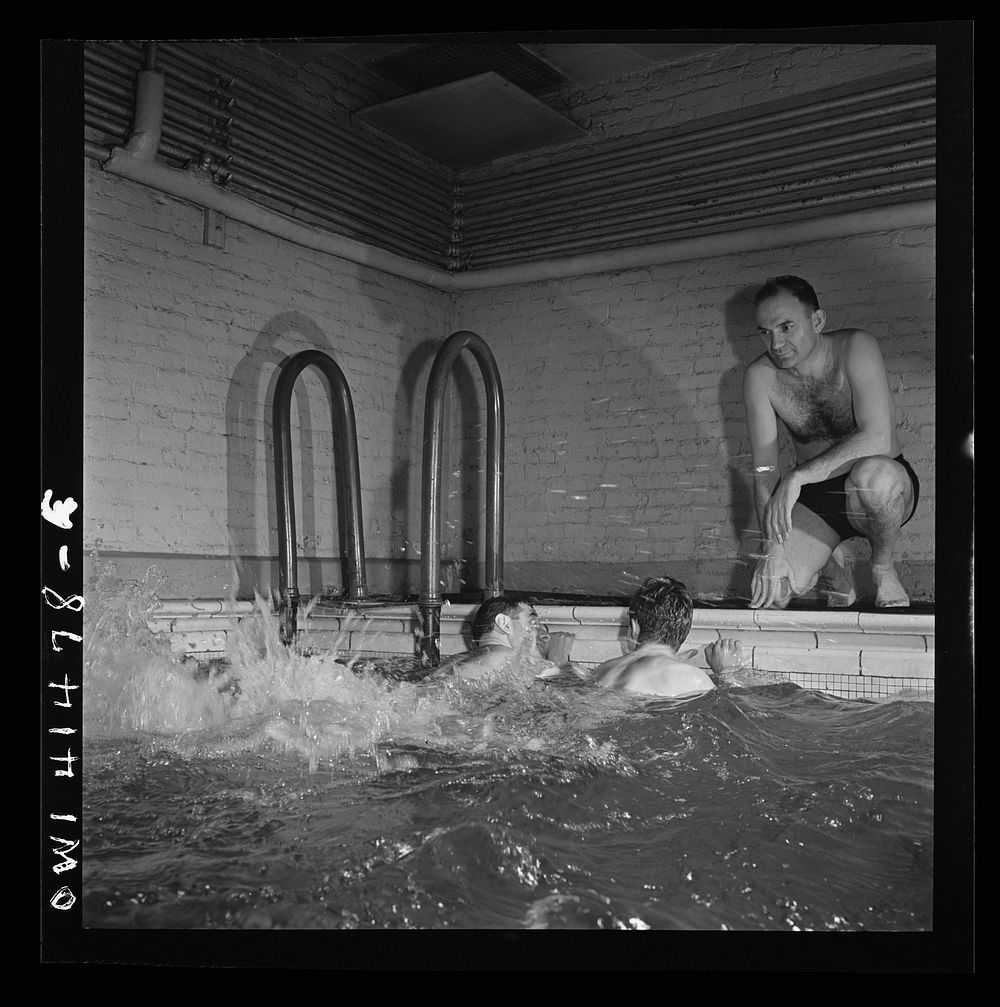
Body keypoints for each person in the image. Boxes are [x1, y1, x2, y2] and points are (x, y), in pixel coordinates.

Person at [742, 275, 920, 609]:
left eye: (786, 327)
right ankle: (834, 572)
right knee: (772, 594)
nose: (776, 344)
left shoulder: (856, 347)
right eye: (765, 333)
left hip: (876, 485)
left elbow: (878, 436)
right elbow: (765, 467)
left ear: (818, 320)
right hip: (817, 498)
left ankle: (882, 568)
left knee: (875, 479)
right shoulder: (759, 377)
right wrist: (773, 550)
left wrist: (798, 476)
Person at [592, 576, 742, 699]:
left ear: (634, 627)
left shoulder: (604, 669)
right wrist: (727, 672)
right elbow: (730, 712)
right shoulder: (688, 677)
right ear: (683, 633)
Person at [430, 595, 577, 682]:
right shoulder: (505, 656)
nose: (537, 632)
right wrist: (559, 659)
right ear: (505, 623)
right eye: (532, 623)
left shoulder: (454, 660)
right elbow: (574, 697)